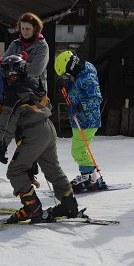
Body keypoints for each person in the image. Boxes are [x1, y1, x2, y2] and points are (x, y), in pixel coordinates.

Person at [0, 54, 78, 223]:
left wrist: (2, 145)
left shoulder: (13, 94)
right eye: (9, 75)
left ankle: (32, 208)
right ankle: (70, 206)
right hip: (48, 128)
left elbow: (7, 122)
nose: (12, 78)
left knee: (15, 171)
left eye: (14, 75)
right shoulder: (36, 83)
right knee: (52, 169)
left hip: (34, 134)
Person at [54, 50, 106, 192]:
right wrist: (66, 86)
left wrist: (79, 107)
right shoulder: (79, 76)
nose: (68, 76)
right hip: (80, 120)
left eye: (67, 73)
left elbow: (96, 98)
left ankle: (90, 177)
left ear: (70, 66)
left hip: (88, 120)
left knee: (78, 150)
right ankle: (88, 175)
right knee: (80, 150)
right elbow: (77, 93)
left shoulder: (88, 77)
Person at [4, 12, 49, 94]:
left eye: (28, 29)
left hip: (35, 91)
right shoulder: (15, 44)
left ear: (35, 28)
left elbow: (36, 70)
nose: (24, 32)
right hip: (14, 88)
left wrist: (15, 65)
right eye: (22, 28)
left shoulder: (42, 46)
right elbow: (4, 63)